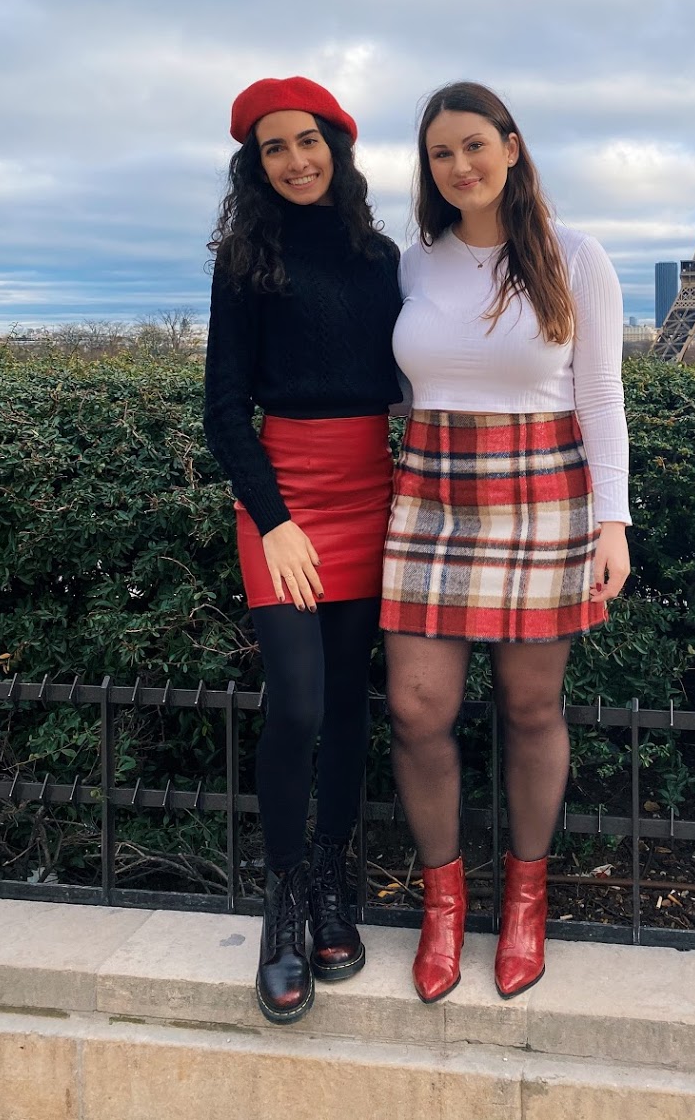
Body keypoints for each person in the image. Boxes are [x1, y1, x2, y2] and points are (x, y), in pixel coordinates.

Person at [381, 80, 631, 1003]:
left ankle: (526, 900)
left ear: (513, 147)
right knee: (417, 709)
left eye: (474, 145)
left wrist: (614, 521)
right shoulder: (413, 264)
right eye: (441, 153)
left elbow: (600, 396)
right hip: (431, 493)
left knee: (531, 709)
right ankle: (443, 904)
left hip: (543, 495)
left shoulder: (577, 257)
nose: (460, 166)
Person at [204, 76, 401, 1024]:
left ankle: (330, 881)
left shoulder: (381, 257)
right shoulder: (245, 260)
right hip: (283, 504)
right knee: (297, 704)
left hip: (374, 491)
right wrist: (274, 518)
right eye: (273, 147)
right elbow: (223, 409)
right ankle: (282, 904)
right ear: (255, 163)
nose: (294, 160)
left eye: (308, 140)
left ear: (337, 146)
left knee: (352, 705)